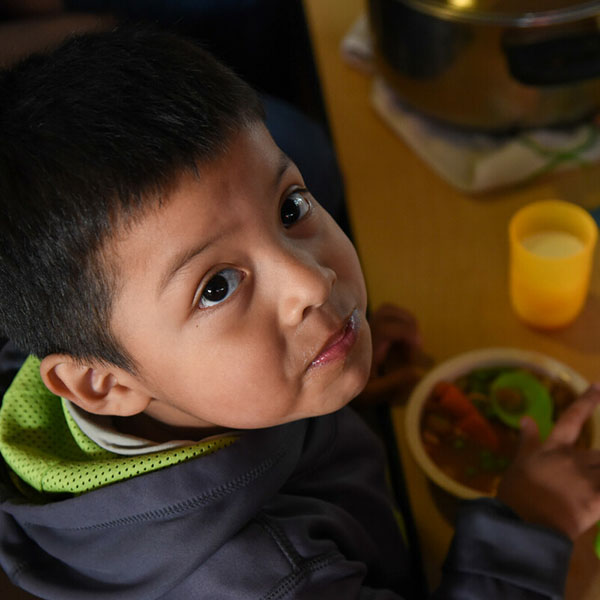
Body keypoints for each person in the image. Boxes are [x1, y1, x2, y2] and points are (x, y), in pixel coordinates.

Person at [0, 27, 599, 600]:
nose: (313, 280)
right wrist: (530, 530)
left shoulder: (155, 378)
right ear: (101, 384)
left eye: (289, 208)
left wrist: (338, 390)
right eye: (217, 287)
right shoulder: (262, 580)